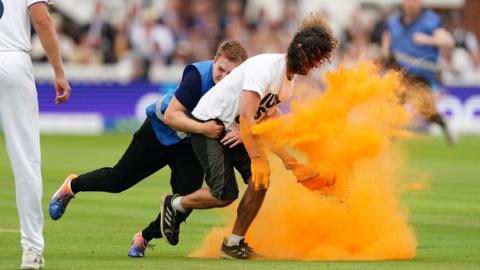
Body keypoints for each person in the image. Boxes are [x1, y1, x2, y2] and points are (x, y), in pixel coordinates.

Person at [159, 13, 337, 259]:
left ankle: (233, 243)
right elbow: (246, 117)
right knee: (225, 194)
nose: (316, 64)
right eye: (315, 57)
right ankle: (175, 204)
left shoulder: (288, 83)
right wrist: (255, 155)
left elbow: (264, 121)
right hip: (209, 124)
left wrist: (289, 160)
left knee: (260, 180)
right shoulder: (265, 68)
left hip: (233, 130)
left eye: (320, 60)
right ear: (300, 49)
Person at [48, 40, 248, 258]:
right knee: (118, 181)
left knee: (184, 201)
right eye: (221, 69)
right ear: (214, 61)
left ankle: (143, 238)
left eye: (232, 73)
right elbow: (172, 116)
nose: (225, 77)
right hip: (159, 131)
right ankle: (72, 186)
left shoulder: (240, 88)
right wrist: (204, 128)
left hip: (190, 144)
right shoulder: (197, 76)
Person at [0, 0, 71, 269]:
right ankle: (31, 249)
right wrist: (59, 72)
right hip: (12, 60)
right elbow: (42, 20)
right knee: (25, 160)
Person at [381, 0, 455, 144]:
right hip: (400, 73)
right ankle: (388, 141)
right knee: (393, 106)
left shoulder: (430, 21)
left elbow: (449, 41)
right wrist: (385, 53)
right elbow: (386, 43)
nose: (411, 4)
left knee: (426, 113)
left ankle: (444, 125)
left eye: (415, 1)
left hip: (422, 76)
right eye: (409, 1)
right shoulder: (393, 21)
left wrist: (428, 40)